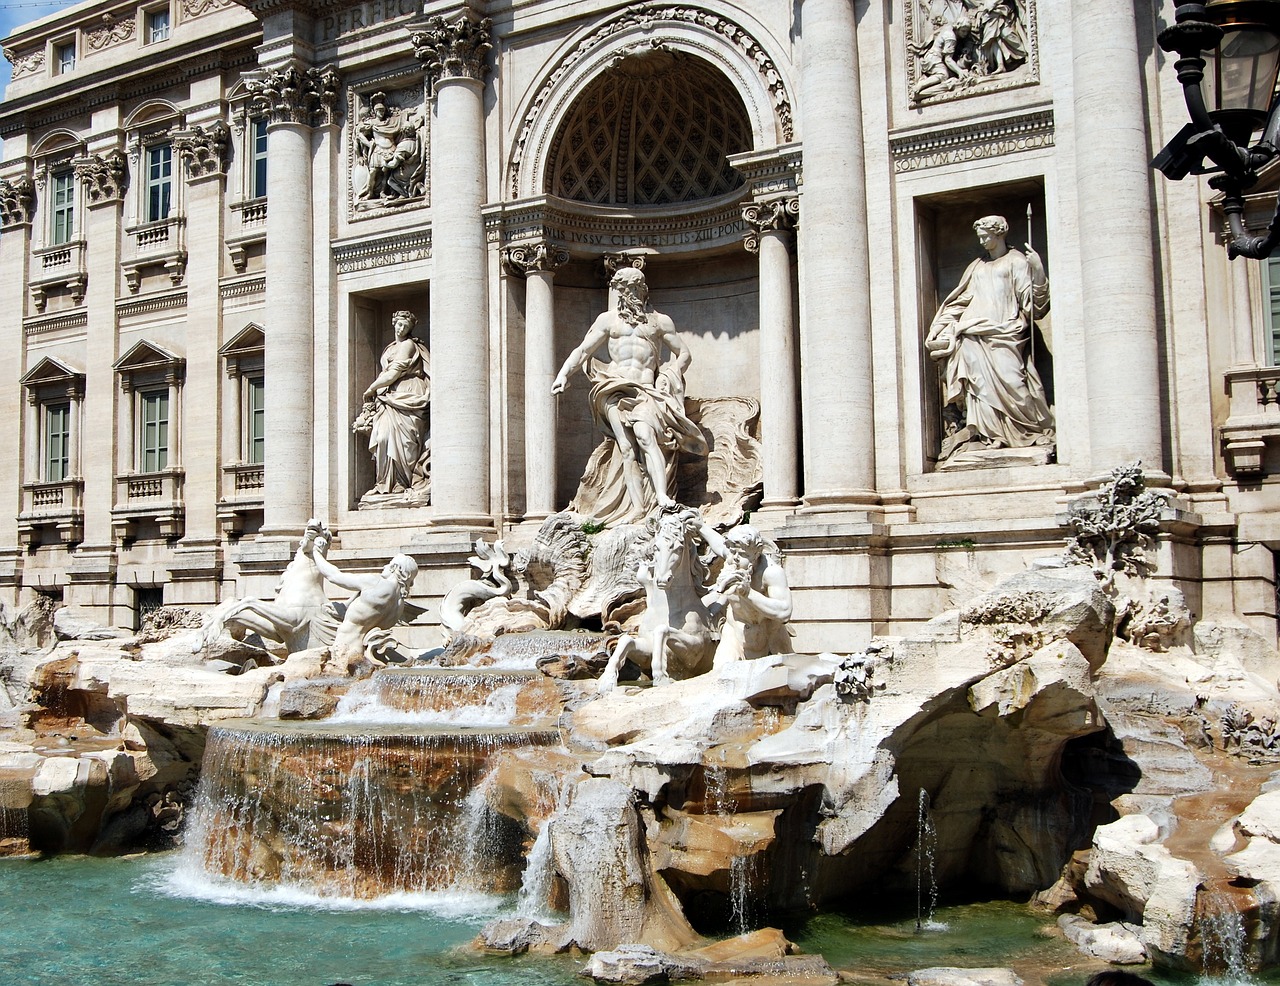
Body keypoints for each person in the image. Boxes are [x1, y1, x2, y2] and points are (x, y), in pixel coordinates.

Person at [552, 267, 707, 522]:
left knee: (646, 437)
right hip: (614, 388)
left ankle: (662, 498)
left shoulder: (659, 321)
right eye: (622, 289)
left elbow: (685, 354)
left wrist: (671, 375)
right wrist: (563, 375)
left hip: (646, 389)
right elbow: (582, 351)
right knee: (626, 448)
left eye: (632, 288)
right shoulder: (607, 320)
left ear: (642, 289)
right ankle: (637, 508)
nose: (627, 294)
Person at [924, 214, 1053, 460]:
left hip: (1006, 331)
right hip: (972, 333)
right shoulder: (977, 267)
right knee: (978, 387)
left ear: (999, 234)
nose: (982, 241)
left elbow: (1035, 305)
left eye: (986, 236)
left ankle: (1026, 429)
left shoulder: (1016, 262)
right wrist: (941, 327)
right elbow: (960, 301)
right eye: (980, 237)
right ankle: (989, 436)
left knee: (1013, 380)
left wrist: (1037, 270)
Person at [354, 310, 431, 499]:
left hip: (408, 393)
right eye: (399, 324)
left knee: (406, 443)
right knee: (383, 438)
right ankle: (384, 484)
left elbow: (393, 373)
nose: (402, 328)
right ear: (393, 323)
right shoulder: (389, 348)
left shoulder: (408, 345)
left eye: (406, 326)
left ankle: (402, 483)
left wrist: (371, 389)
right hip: (389, 396)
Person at [699, 521, 793, 665]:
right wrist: (699, 525)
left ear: (756, 554)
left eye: (742, 554)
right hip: (734, 635)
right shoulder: (733, 560)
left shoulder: (771, 573)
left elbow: (784, 611)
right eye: (732, 551)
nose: (735, 558)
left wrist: (748, 593)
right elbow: (718, 543)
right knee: (720, 673)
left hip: (770, 639)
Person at [311, 548, 419, 672]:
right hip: (365, 655)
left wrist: (316, 553)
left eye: (389, 564)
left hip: (344, 650)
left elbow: (334, 576)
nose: (385, 566)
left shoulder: (376, 583)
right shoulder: (399, 606)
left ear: (395, 568)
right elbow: (367, 618)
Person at [354, 92, 424, 201]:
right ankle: (370, 191)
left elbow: (400, 120)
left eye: (382, 110)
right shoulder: (371, 123)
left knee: (385, 173)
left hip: (391, 148)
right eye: (379, 111)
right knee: (373, 172)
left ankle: (382, 192)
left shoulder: (391, 122)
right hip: (377, 149)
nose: (381, 113)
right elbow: (358, 133)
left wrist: (408, 114)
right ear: (375, 112)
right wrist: (365, 147)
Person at [910, 15, 975, 102]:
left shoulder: (949, 29)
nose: (965, 34)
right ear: (957, 28)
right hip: (933, 59)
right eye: (963, 31)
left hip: (932, 56)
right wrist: (960, 71)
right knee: (943, 75)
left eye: (967, 32)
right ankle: (920, 85)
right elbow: (948, 59)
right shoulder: (951, 38)